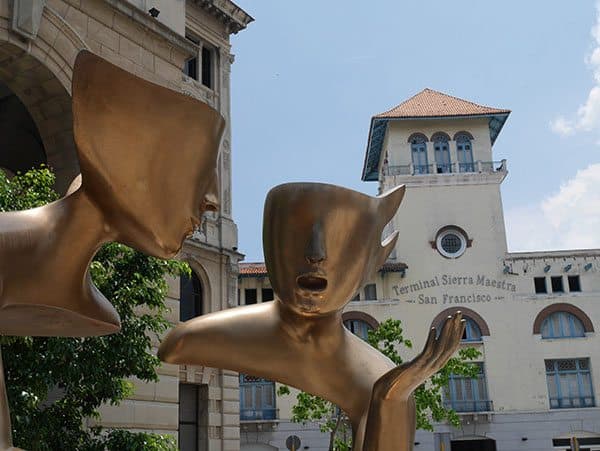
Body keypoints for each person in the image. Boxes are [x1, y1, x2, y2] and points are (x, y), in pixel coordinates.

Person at [158, 182, 464, 451]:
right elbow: (173, 346)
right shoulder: (197, 339)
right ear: (269, 241)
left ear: (371, 264)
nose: (314, 252)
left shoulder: (378, 380)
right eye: (294, 233)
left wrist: (390, 401)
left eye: (340, 241)